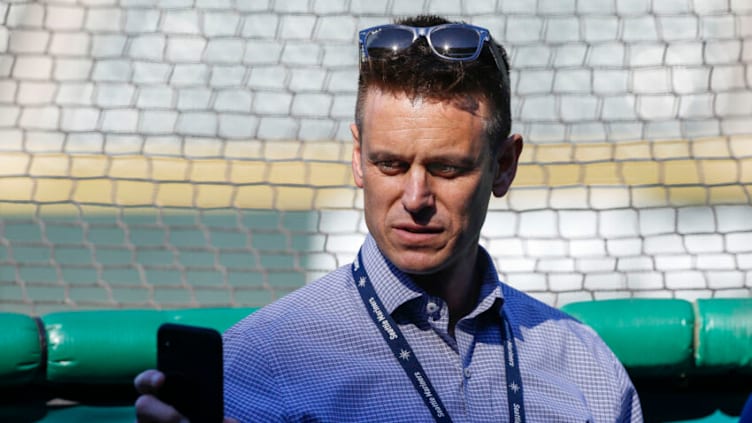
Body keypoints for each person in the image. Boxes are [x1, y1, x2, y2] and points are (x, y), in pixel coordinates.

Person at [135, 14, 643, 422]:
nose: (415, 196)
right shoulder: (258, 363)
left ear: (503, 166)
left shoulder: (586, 366)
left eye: (447, 168)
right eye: (391, 164)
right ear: (359, 159)